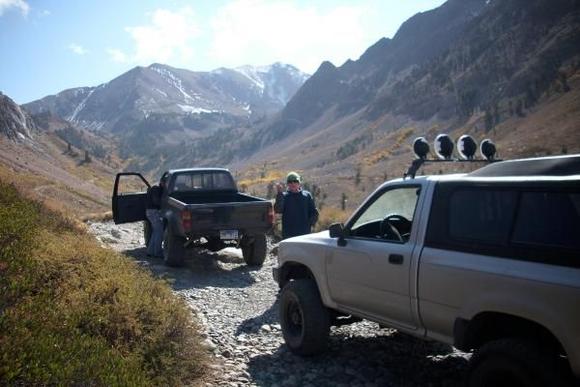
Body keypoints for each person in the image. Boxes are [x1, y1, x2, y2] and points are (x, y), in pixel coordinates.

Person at [274, 171, 319, 239]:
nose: (293, 183)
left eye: (295, 181)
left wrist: (310, 225)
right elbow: (278, 210)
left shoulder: (307, 195)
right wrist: (279, 193)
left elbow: (314, 212)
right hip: (288, 234)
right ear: (287, 184)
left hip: (305, 234)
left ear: (299, 182)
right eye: (290, 181)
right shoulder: (284, 196)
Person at [145, 181, 164, 257]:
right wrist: (164, 205)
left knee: (156, 231)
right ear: (162, 183)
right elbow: (156, 201)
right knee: (159, 231)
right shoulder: (156, 189)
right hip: (153, 211)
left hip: (150, 211)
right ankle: (158, 252)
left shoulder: (155, 188)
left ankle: (150, 251)